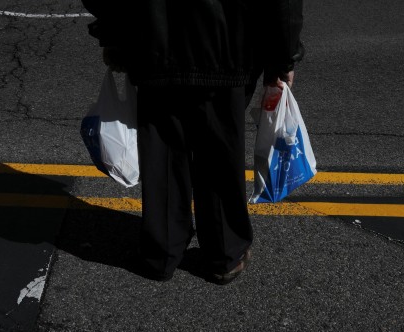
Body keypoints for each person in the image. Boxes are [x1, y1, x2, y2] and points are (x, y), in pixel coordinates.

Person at [81, 0, 304, 284]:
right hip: (229, 46)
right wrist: (284, 56)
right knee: (221, 151)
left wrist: (115, 36)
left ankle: (162, 251)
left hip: (154, 42)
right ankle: (224, 253)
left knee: (163, 148)